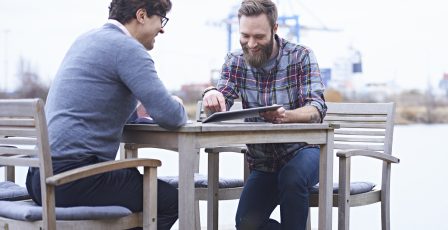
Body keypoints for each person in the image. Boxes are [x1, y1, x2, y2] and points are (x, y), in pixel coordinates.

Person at [25, 0, 187, 229]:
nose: (162, 28)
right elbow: (171, 116)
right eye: (161, 18)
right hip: (70, 181)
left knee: (129, 179)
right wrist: (177, 102)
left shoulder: (86, 39)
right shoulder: (128, 48)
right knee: (170, 200)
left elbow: (100, 105)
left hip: (37, 178)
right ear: (141, 15)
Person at [202, 0, 327, 229]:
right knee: (245, 225)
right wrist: (211, 95)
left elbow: (316, 109)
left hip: (305, 151)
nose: (251, 44)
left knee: (291, 178)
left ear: (275, 29)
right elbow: (221, 105)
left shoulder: (301, 56)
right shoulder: (235, 61)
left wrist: (285, 116)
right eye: (245, 35)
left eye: (259, 36)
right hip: (264, 162)